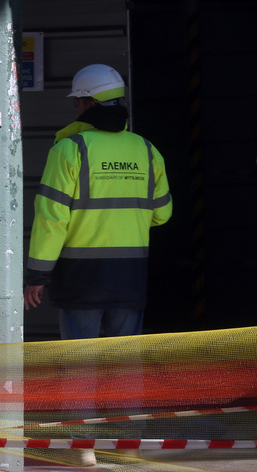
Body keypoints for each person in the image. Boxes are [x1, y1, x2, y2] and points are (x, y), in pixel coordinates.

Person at [24, 64, 172, 339]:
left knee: (80, 369)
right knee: (124, 368)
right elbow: (162, 214)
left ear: (89, 103)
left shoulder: (70, 149)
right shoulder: (147, 150)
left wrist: (37, 276)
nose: (76, 109)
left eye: (76, 103)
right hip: (129, 280)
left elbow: (51, 220)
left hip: (81, 280)